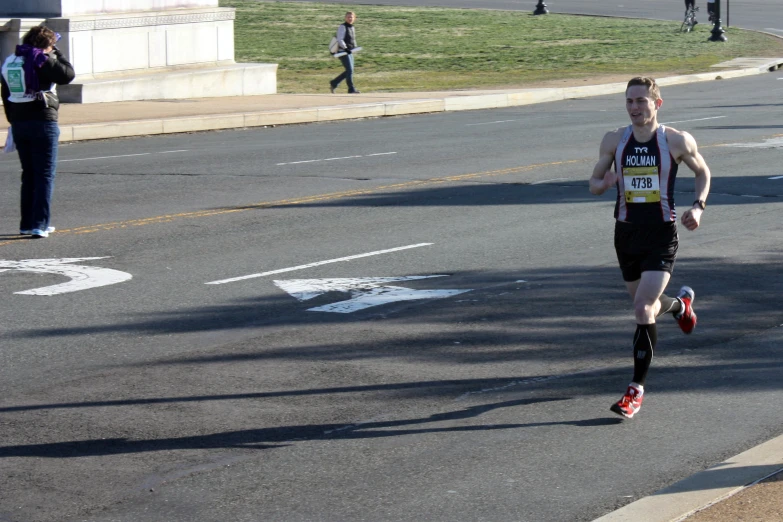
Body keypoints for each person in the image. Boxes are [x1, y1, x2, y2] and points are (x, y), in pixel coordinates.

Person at [589, 77, 711, 419]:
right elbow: (593, 183)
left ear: (657, 104)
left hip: (661, 234)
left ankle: (635, 391)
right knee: (650, 307)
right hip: (626, 235)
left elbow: (703, 172)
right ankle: (682, 306)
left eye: (641, 101)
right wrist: (607, 181)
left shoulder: (675, 140)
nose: (634, 107)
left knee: (642, 309)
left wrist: (698, 206)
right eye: (629, 101)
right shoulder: (615, 140)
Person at [1, 25, 75, 238]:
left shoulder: (11, 61)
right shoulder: (42, 60)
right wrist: (56, 52)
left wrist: (13, 121)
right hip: (43, 121)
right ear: (47, 44)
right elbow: (67, 74)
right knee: (44, 175)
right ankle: (40, 225)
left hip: (20, 122)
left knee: (29, 175)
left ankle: (26, 223)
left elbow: (5, 94)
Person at [329, 11, 360, 94]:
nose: (350, 18)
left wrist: (355, 47)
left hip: (349, 51)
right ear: (345, 18)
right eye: (348, 17)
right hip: (342, 52)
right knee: (350, 70)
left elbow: (352, 39)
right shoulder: (342, 27)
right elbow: (340, 39)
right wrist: (345, 48)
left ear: (354, 18)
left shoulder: (352, 27)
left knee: (350, 70)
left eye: (351, 17)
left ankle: (334, 82)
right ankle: (351, 89)